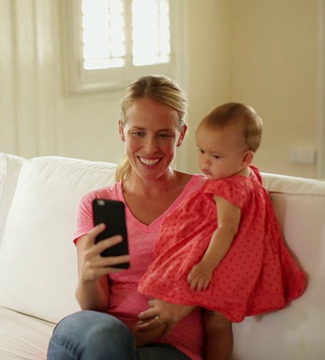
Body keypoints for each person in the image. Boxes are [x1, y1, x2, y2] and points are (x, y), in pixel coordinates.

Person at [47, 74, 205, 360]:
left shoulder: (206, 196)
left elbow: (234, 272)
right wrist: (87, 277)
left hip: (169, 347)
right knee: (108, 337)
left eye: (164, 135)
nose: (150, 148)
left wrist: (184, 303)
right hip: (97, 334)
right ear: (122, 130)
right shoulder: (96, 203)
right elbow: (93, 306)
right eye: (138, 133)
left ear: (181, 135)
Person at [137, 102, 308, 360]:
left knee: (171, 303)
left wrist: (205, 266)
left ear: (246, 158)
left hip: (218, 265)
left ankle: (129, 343)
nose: (204, 162)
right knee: (217, 324)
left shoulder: (227, 188)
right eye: (202, 151)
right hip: (239, 266)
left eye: (215, 156)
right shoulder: (249, 178)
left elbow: (226, 229)